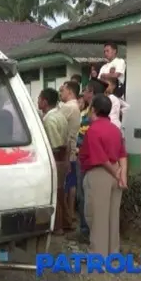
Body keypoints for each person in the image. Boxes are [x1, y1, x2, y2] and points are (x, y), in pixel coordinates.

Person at [79, 94, 127, 256]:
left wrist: (115, 173)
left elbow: (100, 157)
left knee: (97, 216)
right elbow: (122, 154)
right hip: (115, 172)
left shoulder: (93, 130)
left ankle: (98, 255)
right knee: (113, 216)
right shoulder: (115, 129)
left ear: (93, 109)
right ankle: (113, 252)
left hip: (100, 172)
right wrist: (121, 175)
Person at [73, 79, 108, 244]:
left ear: (92, 93)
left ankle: (87, 231)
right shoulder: (87, 112)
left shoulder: (93, 117)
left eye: (86, 90)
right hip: (85, 159)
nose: (84, 93)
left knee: (85, 196)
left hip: (88, 161)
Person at [38, 88, 69, 236]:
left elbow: (54, 146)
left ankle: (57, 227)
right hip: (63, 159)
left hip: (55, 160)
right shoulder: (60, 115)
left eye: (39, 99)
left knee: (54, 194)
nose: (37, 102)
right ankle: (65, 222)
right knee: (60, 193)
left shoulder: (49, 119)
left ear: (44, 102)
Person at [58, 81, 81, 232]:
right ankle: (70, 214)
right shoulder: (76, 107)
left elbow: (55, 119)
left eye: (63, 90)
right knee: (71, 185)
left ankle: (65, 217)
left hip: (66, 152)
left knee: (64, 187)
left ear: (70, 92)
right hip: (73, 151)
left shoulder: (68, 107)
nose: (61, 93)